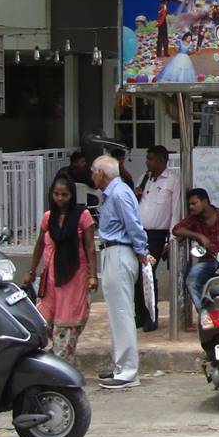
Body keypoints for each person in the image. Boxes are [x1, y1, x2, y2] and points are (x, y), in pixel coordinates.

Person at [90, 154, 151, 389]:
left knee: (122, 312)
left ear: (101, 173)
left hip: (119, 252)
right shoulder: (115, 193)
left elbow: (134, 225)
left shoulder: (119, 193)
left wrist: (141, 250)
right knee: (117, 313)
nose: (92, 175)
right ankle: (120, 366)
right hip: (112, 253)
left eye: (94, 171)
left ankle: (128, 371)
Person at [23, 175, 97, 360]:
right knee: (45, 321)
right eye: (56, 194)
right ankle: (55, 360)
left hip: (74, 277)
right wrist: (31, 271)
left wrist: (93, 275)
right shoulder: (48, 218)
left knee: (67, 323)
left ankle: (63, 366)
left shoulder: (83, 216)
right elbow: (40, 245)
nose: (60, 198)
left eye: (64, 194)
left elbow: (89, 247)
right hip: (51, 278)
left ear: (71, 195)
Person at [134, 145, 181, 332]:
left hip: (157, 234)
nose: (147, 162)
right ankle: (139, 315)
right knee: (137, 275)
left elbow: (175, 210)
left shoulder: (172, 180)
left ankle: (151, 316)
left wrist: (172, 238)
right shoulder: (144, 179)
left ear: (162, 160)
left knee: (148, 273)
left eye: (151, 158)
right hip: (140, 232)